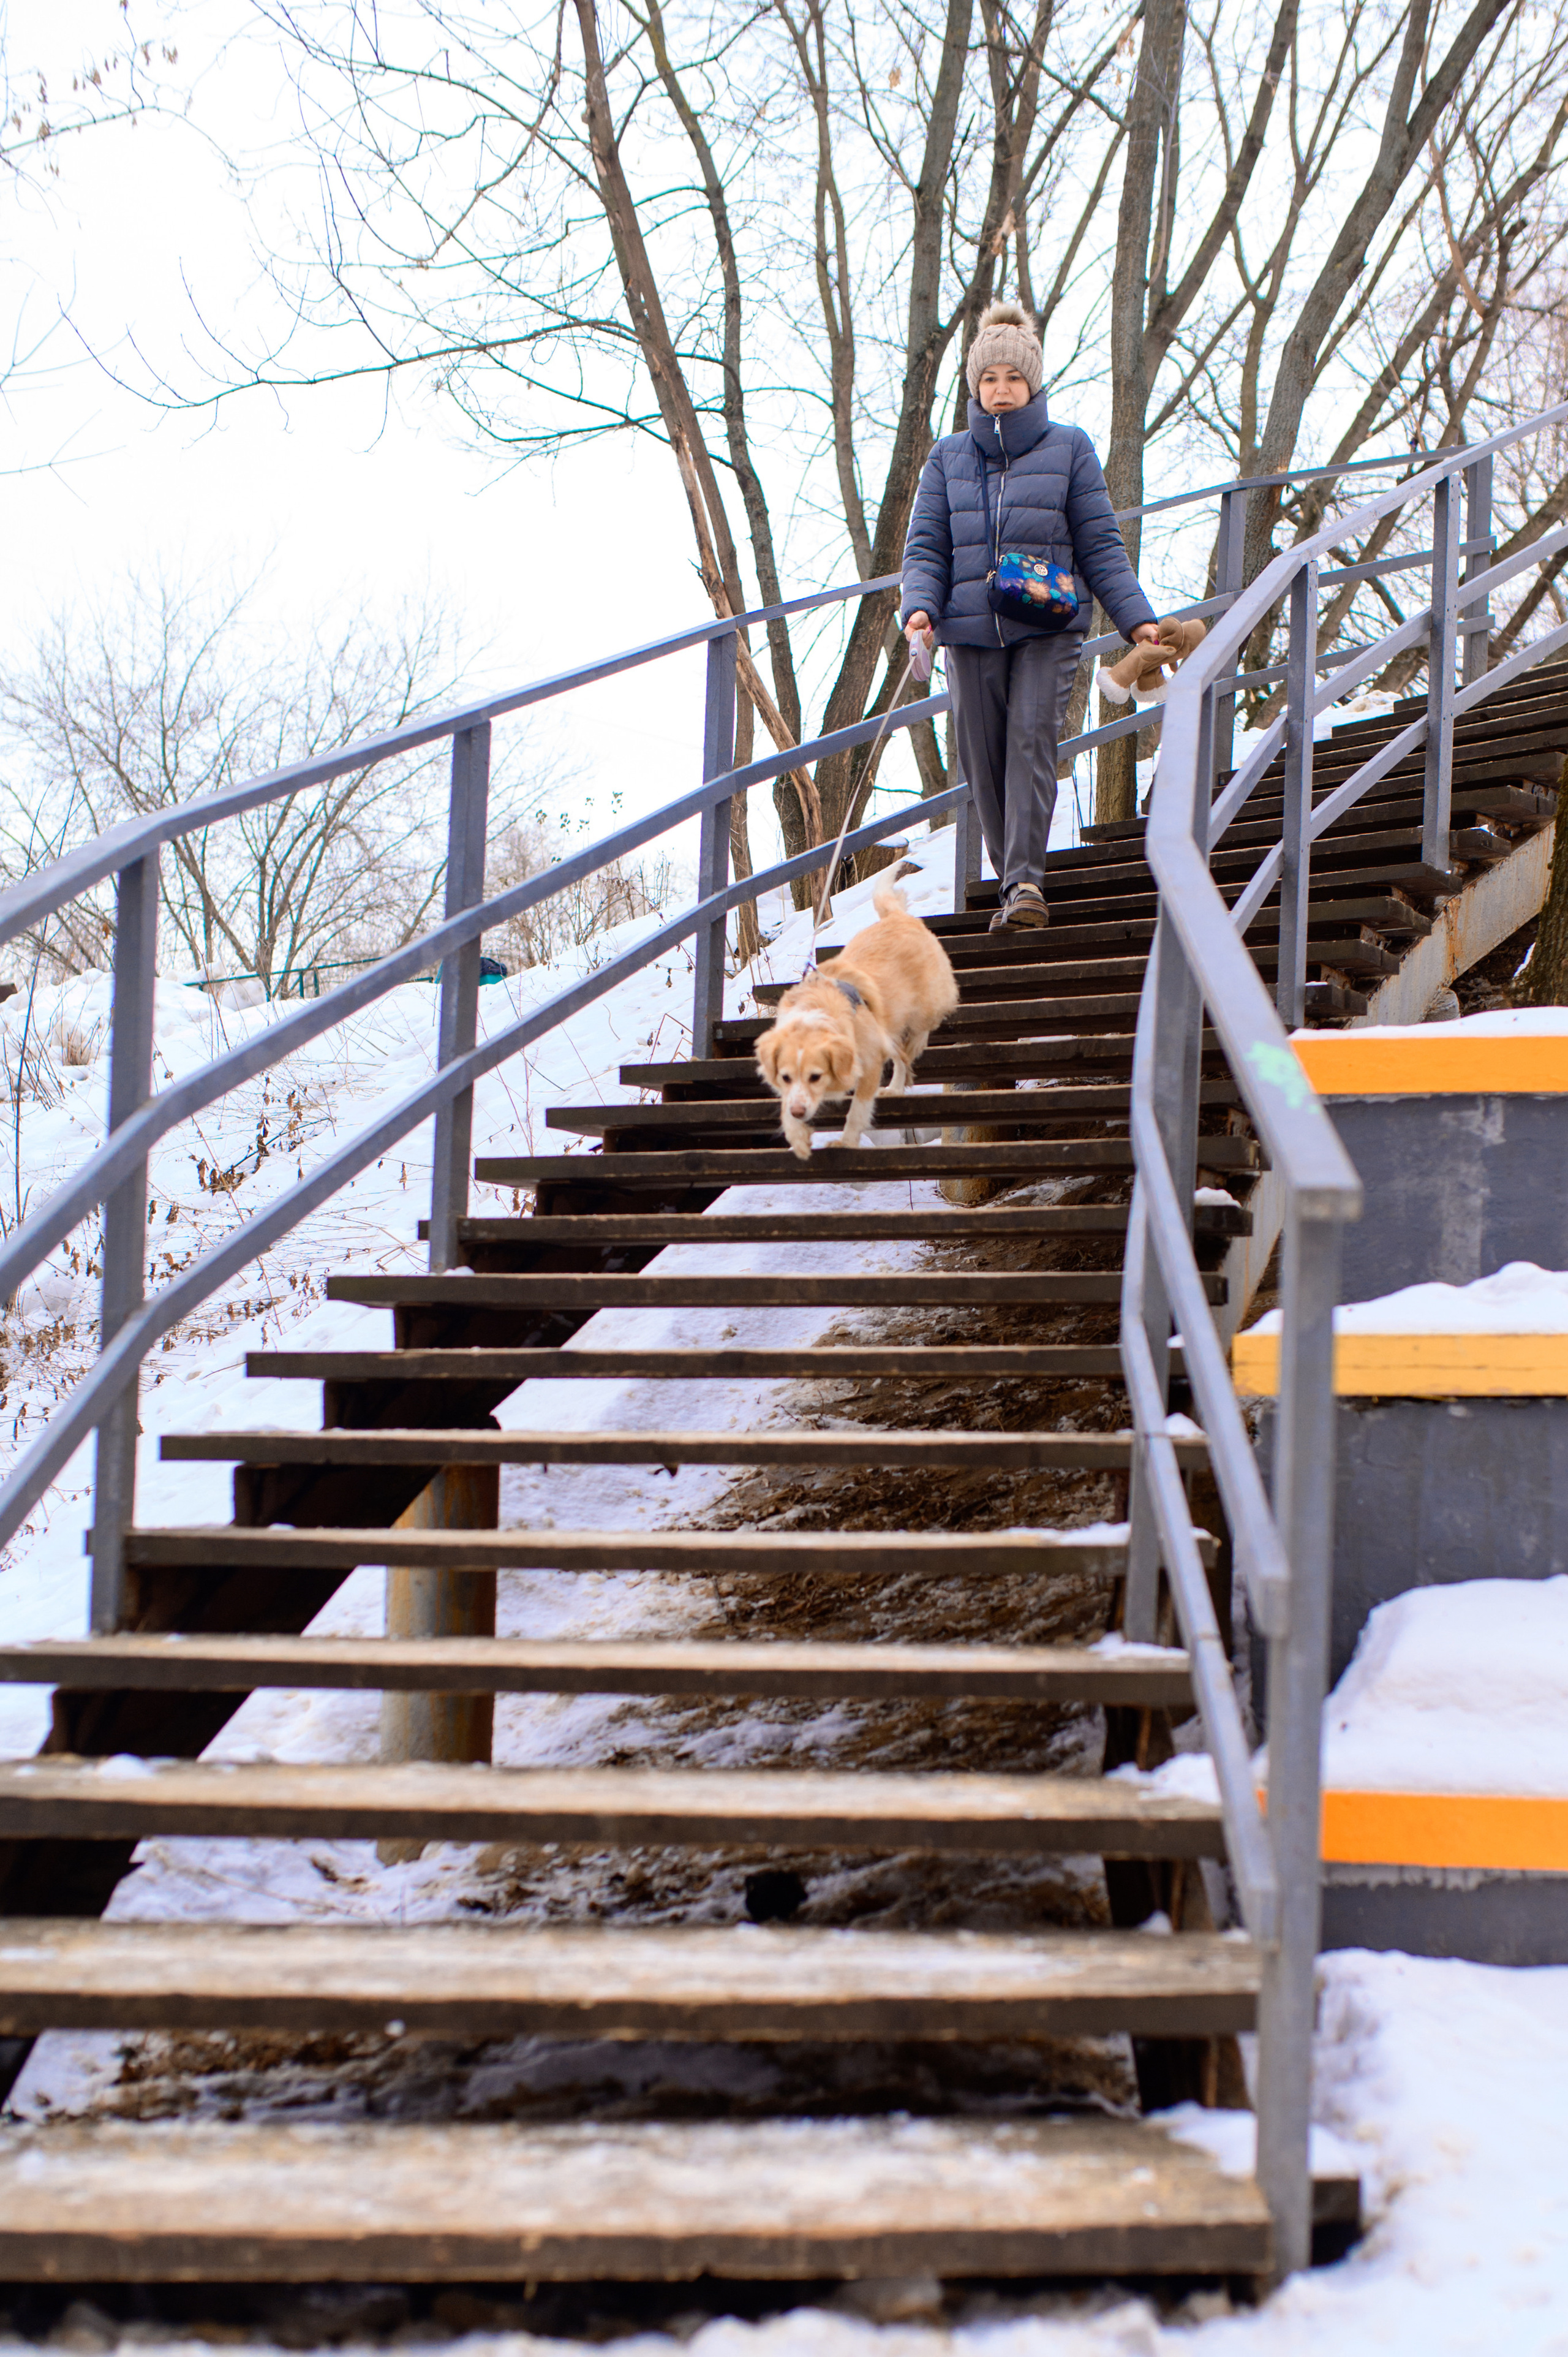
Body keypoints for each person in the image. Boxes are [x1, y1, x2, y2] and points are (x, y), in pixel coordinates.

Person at [902, 300, 1162, 931]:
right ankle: (1012, 882)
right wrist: (918, 610)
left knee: (1029, 743)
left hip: (1048, 626)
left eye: (1013, 378)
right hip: (967, 630)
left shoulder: (1069, 448)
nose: (1000, 389)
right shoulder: (946, 459)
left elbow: (1100, 544)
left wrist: (1137, 621)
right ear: (974, 384)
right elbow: (927, 546)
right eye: (989, 378)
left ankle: (1023, 883)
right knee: (982, 759)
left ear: (1033, 382)